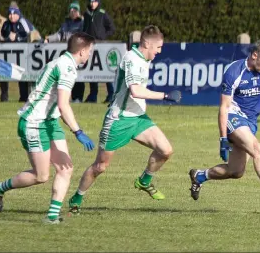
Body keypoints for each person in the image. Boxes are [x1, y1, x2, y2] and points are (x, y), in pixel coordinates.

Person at [68, 25, 181, 214]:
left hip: (137, 117)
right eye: (158, 48)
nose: (159, 52)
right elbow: (136, 91)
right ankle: (76, 199)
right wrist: (165, 96)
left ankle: (144, 181)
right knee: (100, 166)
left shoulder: (144, 58)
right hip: (118, 120)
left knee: (166, 150)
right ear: (146, 44)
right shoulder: (131, 59)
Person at [0, 32, 97, 224]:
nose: (90, 55)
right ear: (82, 51)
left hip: (49, 121)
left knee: (66, 168)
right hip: (34, 123)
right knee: (41, 175)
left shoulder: (62, 63)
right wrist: (78, 132)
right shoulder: (67, 68)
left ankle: (52, 217)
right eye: (90, 51)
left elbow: (58, 102)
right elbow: (64, 105)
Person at [188, 39, 260, 209]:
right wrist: (223, 138)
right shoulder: (234, 72)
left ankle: (200, 176)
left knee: (236, 171)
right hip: (233, 117)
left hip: (250, 122)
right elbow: (224, 108)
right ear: (254, 55)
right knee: (258, 150)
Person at [79, 0, 116, 103]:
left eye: (94, 1)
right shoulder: (86, 14)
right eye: (91, 1)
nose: (92, 4)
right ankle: (93, 95)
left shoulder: (102, 13)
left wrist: (103, 35)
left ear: (98, 2)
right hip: (90, 46)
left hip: (101, 46)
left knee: (104, 70)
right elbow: (84, 29)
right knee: (92, 71)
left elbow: (112, 28)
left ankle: (111, 94)